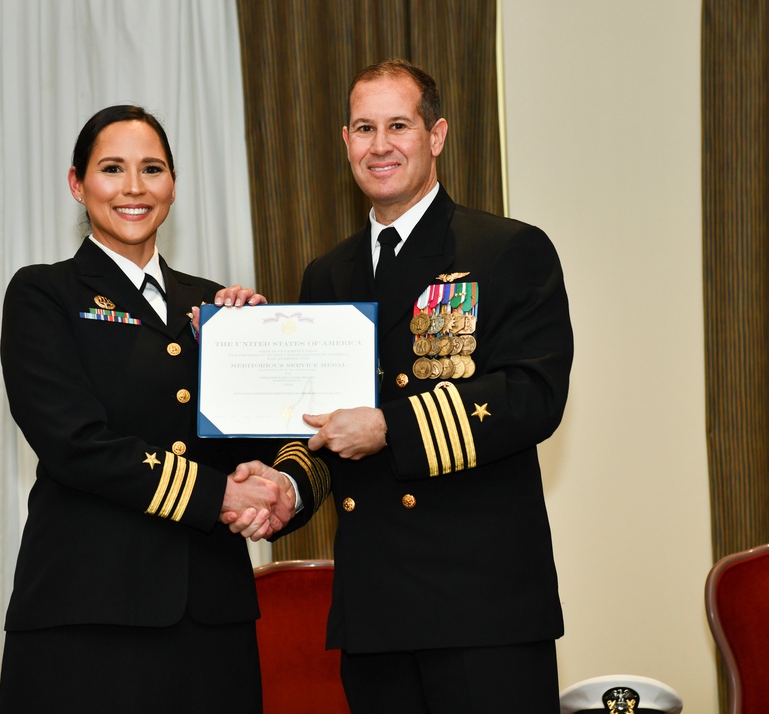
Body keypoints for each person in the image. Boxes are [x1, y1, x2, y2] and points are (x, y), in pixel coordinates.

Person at [227, 59, 573, 712]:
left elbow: (533, 396)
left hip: (483, 610)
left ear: (435, 135)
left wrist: (392, 426)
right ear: (345, 141)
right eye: (364, 128)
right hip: (376, 612)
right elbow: (320, 428)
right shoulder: (327, 275)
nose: (379, 145)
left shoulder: (505, 251)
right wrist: (286, 487)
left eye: (398, 125)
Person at [0, 104, 321, 713]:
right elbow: (74, 443)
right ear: (77, 183)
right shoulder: (44, 294)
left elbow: (281, 437)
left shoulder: (219, 306)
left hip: (211, 616)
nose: (134, 188)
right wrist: (219, 496)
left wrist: (282, 486)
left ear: (172, 184)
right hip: (90, 616)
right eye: (112, 168)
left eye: (152, 169)